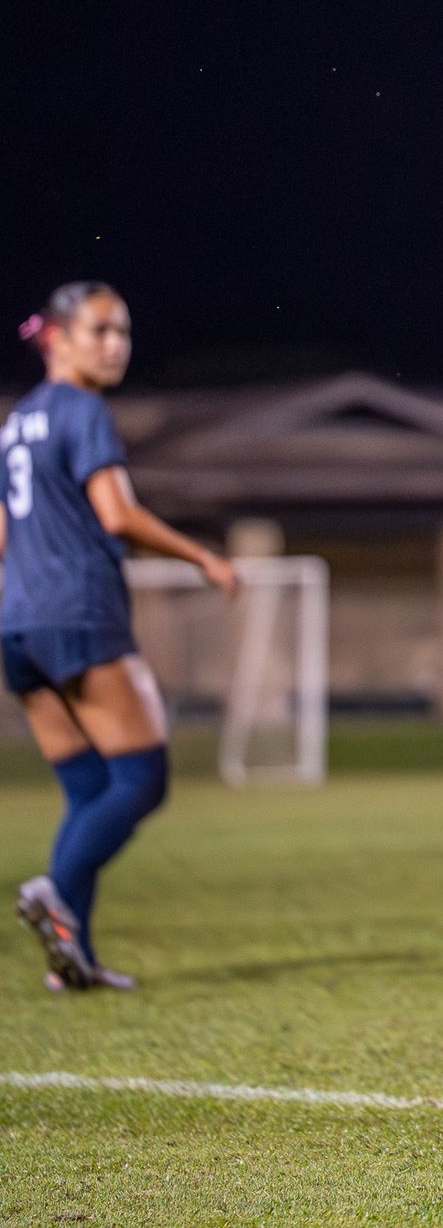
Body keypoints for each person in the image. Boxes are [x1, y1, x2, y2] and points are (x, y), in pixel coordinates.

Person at [0, 283, 238, 991]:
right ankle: (57, 892)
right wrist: (203, 556)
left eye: (123, 331)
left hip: (19, 625)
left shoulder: (17, 422)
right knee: (142, 777)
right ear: (57, 338)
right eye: (100, 330)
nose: (116, 345)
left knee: (87, 787)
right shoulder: (81, 409)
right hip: (78, 614)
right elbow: (118, 514)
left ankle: (77, 963)